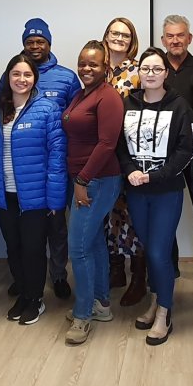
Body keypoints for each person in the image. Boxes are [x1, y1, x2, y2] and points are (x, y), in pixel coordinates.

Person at [0, 54, 67, 325]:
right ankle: (24, 292)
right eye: (16, 74)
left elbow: (57, 154)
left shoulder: (47, 108)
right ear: (8, 77)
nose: (22, 79)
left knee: (33, 248)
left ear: (35, 78)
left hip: (35, 195)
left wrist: (55, 197)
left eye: (27, 75)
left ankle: (35, 298)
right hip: (3, 191)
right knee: (13, 247)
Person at [117, 47, 193, 346]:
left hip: (165, 191)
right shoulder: (128, 103)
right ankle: (156, 300)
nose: (150, 74)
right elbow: (119, 145)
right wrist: (130, 170)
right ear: (139, 73)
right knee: (149, 250)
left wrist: (155, 175)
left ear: (166, 73)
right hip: (136, 190)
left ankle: (165, 313)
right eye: (145, 69)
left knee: (159, 252)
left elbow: (186, 151)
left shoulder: (180, 106)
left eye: (156, 69)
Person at [63, 40, 124, 346]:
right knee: (94, 242)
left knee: (79, 248)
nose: (86, 68)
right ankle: (101, 303)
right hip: (84, 178)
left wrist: (83, 180)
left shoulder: (108, 97)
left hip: (97, 179)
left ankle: (83, 314)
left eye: (93, 64)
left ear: (106, 68)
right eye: (82, 63)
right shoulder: (81, 94)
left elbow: (107, 144)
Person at [22, 17, 80, 299]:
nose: (35, 46)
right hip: (24, 163)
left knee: (57, 222)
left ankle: (58, 275)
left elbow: (79, 116)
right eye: (30, 42)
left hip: (58, 161)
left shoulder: (67, 77)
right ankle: (25, 275)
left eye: (40, 41)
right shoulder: (15, 72)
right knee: (29, 224)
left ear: (49, 44)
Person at [102, 16, 147, 307]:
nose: (119, 38)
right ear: (106, 35)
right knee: (109, 215)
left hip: (129, 153)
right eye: (114, 33)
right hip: (101, 157)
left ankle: (138, 279)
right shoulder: (97, 67)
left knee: (133, 216)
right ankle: (115, 269)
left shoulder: (137, 72)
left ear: (132, 41)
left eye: (125, 35)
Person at [161, 14, 193, 279]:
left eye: (181, 35)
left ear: (189, 38)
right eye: (170, 36)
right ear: (163, 39)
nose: (175, 40)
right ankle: (169, 267)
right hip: (164, 157)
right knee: (165, 216)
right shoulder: (155, 68)